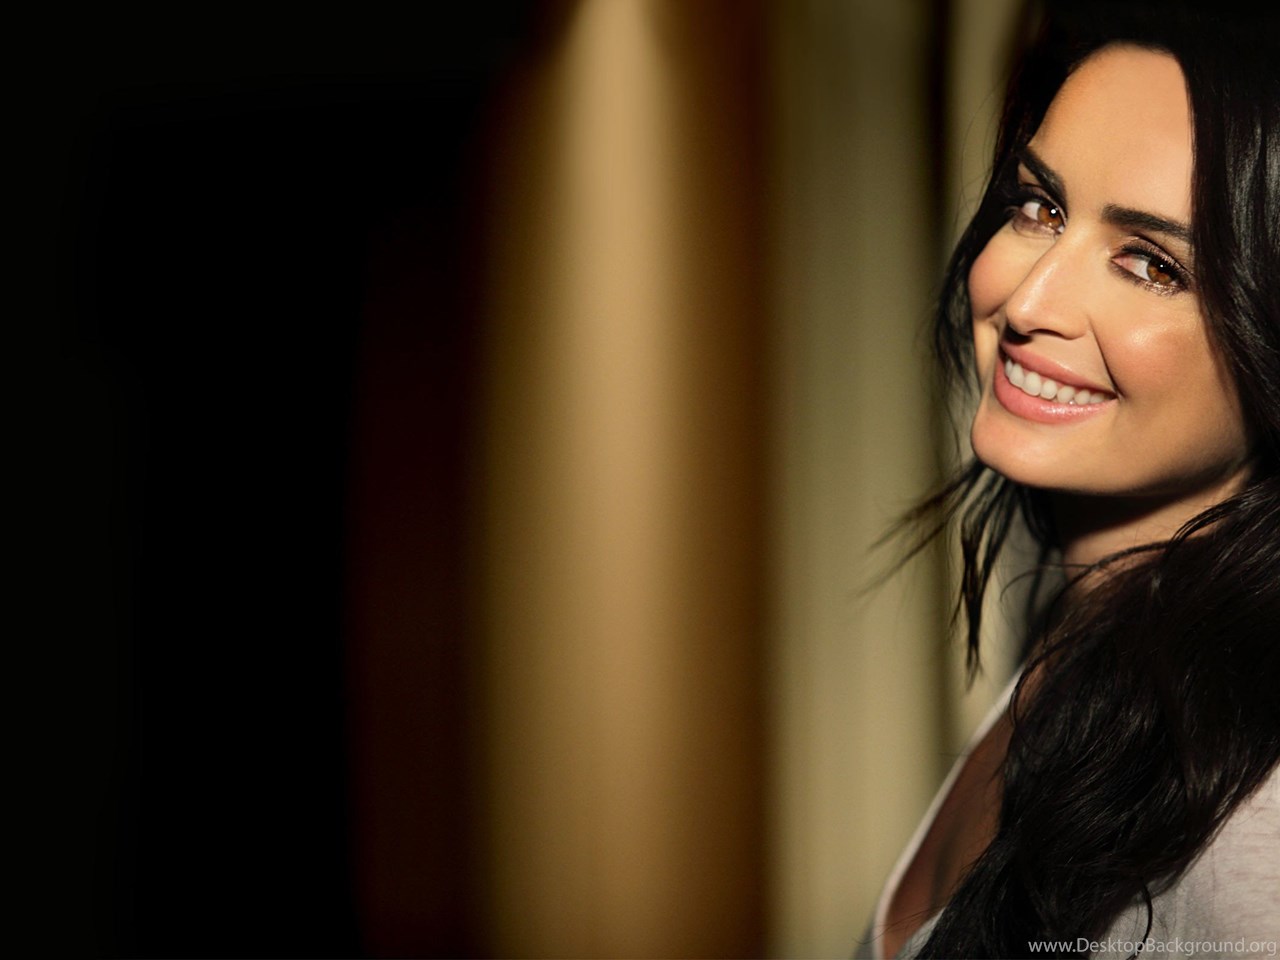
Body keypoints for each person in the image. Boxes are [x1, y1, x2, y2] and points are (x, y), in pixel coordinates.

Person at [863, 3, 1280, 957]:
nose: (1029, 299)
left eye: (1150, 264)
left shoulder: (1250, 826)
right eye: (1038, 208)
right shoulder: (1077, 647)